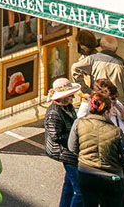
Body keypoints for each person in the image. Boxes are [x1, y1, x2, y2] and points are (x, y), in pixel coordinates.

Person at [78, 78, 124, 207]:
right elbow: (85, 133)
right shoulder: (87, 110)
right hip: (105, 164)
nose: (115, 102)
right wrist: (118, 135)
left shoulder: (116, 107)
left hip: (113, 159)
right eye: (112, 99)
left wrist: (123, 114)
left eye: (115, 98)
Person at [68, 89, 124, 207]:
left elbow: (72, 148)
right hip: (111, 178)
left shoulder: (79, 123)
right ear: (106, 112)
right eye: (111, 111)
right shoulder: (116, 131)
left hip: (86, 174)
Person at [45, 78, 84, 207]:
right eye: (70, 95)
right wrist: (76, 134)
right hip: (65, 153)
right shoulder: (54, 113)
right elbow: (55, 136)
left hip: (70, 150)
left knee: (69, 185)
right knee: (80, 191)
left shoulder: (67, 106)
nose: (73, 97)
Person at [71, 36, 124, 101]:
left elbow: (75, 68)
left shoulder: (92, 59)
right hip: (117, 101)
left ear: (101, 46)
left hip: (99, 100)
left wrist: (86, 90)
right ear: (116, 49)